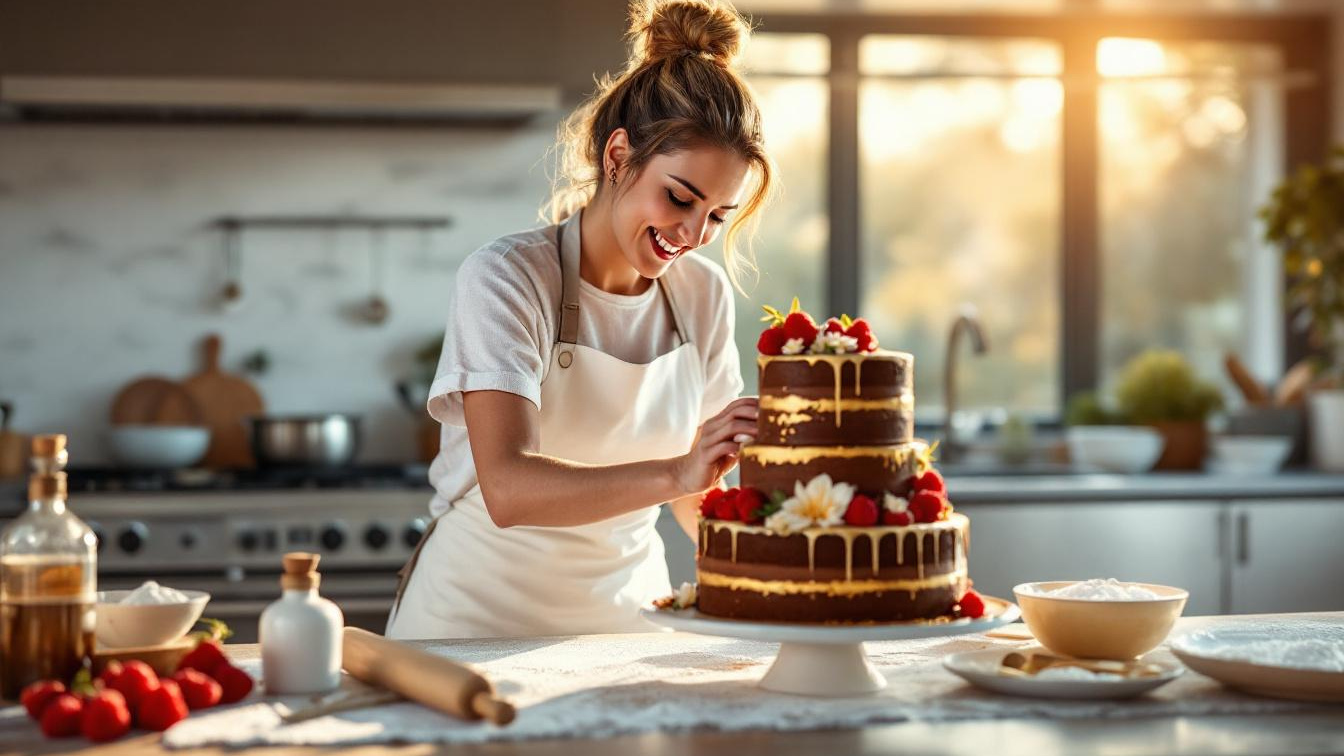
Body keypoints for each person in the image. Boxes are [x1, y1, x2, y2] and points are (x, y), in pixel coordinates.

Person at [386, 0, 775, 640]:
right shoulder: (509, 277)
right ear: (618, 156)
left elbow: (695, 497)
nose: (692, 233)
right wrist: (678, 469)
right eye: (679, 197)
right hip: (470, 627)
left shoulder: (702, 294)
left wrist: (791, 560)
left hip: (628, 627)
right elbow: (509, 489)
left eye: (716, 216)